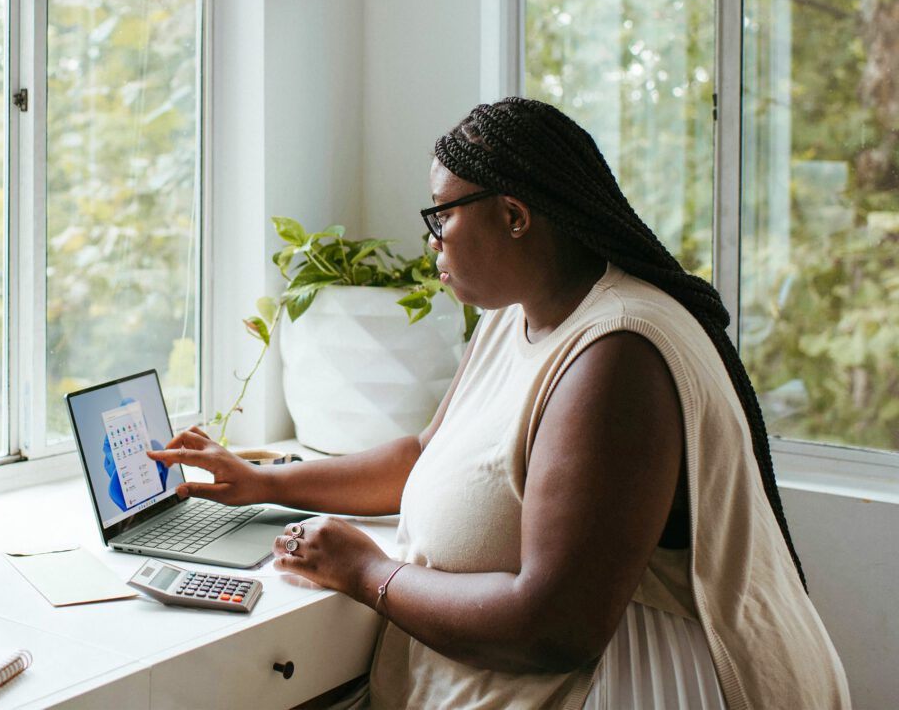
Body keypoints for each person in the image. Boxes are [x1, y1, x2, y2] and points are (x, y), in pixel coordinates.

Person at [148, 97, 850, 709]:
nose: (431, 243)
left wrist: (367, 571)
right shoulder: (514, 316)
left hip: (640, 684)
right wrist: (264, 480)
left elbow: (554, 626)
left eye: (440, 216)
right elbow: (426, 453)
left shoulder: (616, 355)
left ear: (514, 215)